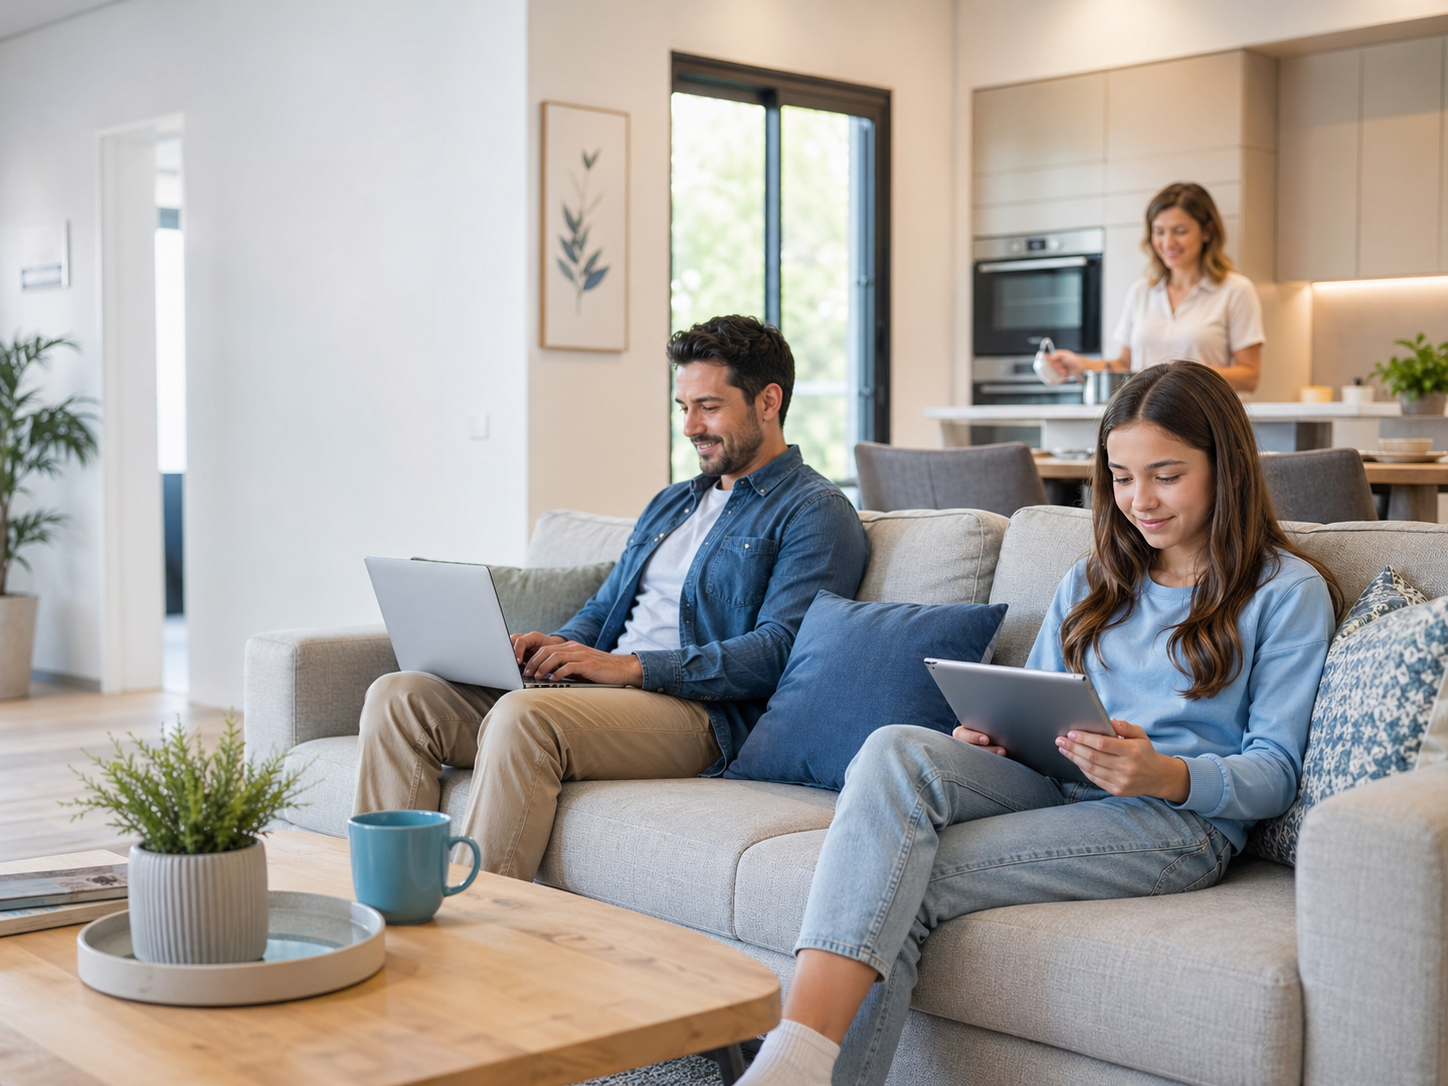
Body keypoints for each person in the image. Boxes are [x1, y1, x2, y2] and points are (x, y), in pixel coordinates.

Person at [736, 360, 1342, 1086]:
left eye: (1166, 475)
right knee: (897, 748)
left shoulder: (1285, 591)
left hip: (1172, 826)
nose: (1139, 500)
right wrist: (994, 735)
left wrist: (1167, 774)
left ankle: (793, 1062)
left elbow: (1275, 772)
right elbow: (1041, 698)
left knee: (894, 879)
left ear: (1227, 467)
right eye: (1121, 477)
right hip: (1055, 787)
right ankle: (796, 1064)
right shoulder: (1094, 580)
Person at [352, 314, 870, 882]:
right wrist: (557, 647)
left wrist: (627, 668)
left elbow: (780, 651)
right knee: (400, 695)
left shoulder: (813, 510)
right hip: (607, 692)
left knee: (524, 717)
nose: (691, 426)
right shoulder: (672, 504)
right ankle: (388, 906)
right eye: (683, 408)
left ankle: (478, 934)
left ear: (768, 401)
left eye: (709, 406)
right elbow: (606, 609)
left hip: (700, 716)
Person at [1050, 183, 1264, 393]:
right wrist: (1082, 364)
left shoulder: (1235, 290)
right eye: (1159, 231)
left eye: (1180, 231)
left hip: (1203, 418)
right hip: (1144, 417)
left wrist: (1178, 374)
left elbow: (1249, 376)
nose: (1168, 242)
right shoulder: (1141, 292)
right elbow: (1125, 365)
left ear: (1207, 231)